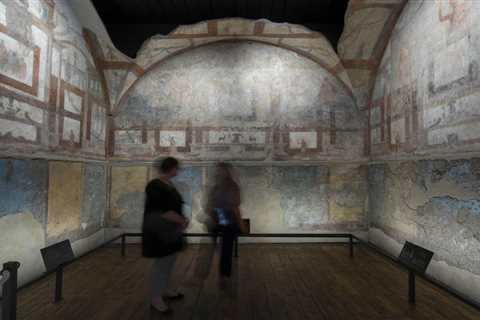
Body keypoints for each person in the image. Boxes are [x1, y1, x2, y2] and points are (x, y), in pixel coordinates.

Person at [142, 157, 189, 314]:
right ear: (171, 168)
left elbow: (173, 207)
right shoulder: (155, 186)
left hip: (170, 231)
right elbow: (162, 211)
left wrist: (181, 220)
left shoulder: (168, 184)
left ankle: (165, 290)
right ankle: (156, 298)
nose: (178, 171)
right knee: (161, 265)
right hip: (160, 231)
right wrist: (181, 220)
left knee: (169, 262)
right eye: (176, 168)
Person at [208, 162, 247, 277]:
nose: (218, 172)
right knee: (224, 248)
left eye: (221, 170)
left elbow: (235, 207)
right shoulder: (217, 186)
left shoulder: (231, 186)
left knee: (226, 249)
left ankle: (223, 274)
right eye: (218, 170)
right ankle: (223, 274)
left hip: (227, 220)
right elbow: (211, 204)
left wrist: (240, 223)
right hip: (220, 219)